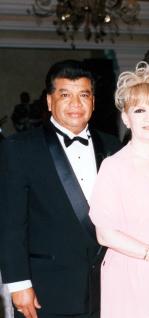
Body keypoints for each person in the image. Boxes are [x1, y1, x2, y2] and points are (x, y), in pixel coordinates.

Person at [0, 60, 121, 318]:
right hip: (46, 291)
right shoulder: (20, 148)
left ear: (94, 102)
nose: (76, 104)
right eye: (65, 95)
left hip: (108, 289)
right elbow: (11, 223)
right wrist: (19, 284)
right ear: (49, 101)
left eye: (83, 95)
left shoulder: (114, 147)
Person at [89, 61, 149, 318]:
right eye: (139, 110)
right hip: (130, 276)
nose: (148, 118)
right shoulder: (113, 166)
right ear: (126, 117)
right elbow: (105, 235)